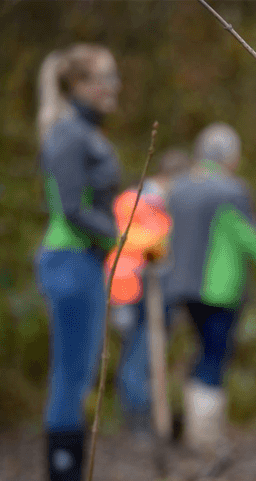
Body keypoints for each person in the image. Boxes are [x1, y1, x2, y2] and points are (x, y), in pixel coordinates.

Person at [163, 123, 256, 451]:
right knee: (214, 356)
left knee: (199, 352)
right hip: (220, 290)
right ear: (229, 157)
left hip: (181, 286)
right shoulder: (230, 190)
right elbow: (248, 236)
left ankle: (195, 428)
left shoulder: (179, 188)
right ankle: (205, 437)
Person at [35, 43, 121, 481]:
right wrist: (117, 236)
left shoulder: (81, 132)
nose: (113, 87)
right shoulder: (69, 134)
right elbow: (70, 209)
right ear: (78, 85)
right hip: (71, 261)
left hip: (83, 261)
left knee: (78, 371)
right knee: (71, 372)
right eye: (104, 77)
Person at [108, 148, 190, 432]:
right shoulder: (134, 202)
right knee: (136, 356)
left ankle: (147, 418)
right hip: (129, 290)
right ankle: (137, 421)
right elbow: (122, 238)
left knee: (144, 354)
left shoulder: (163, 206)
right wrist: (155, 245)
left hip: (154, 290)